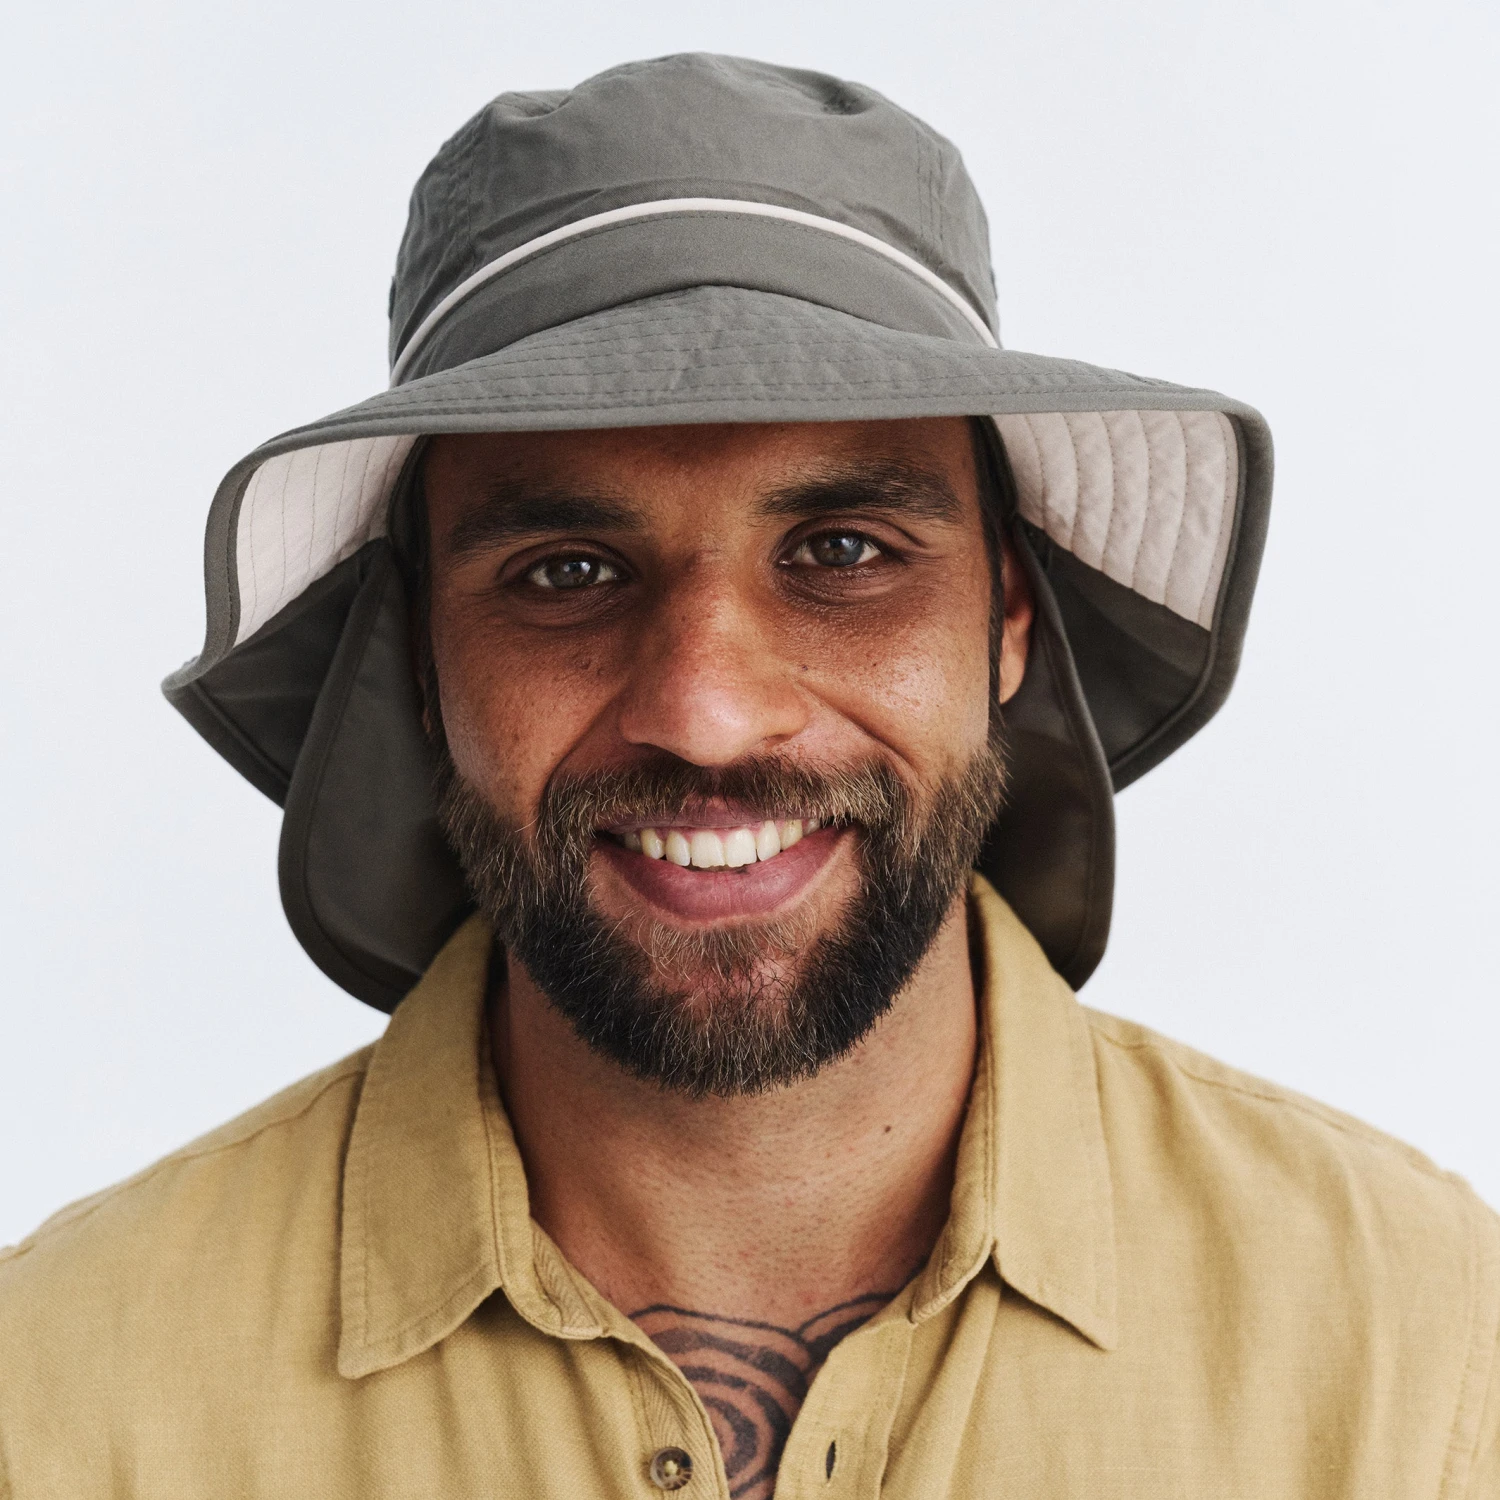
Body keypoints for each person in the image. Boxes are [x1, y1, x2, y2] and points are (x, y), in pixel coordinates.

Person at [1, 52, 1495, 1500]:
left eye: (842, 553)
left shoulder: (1420, 1353)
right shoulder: (59, 1398)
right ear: (417, 663)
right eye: (566, 571)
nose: (707, 717)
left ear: (1008, 621)